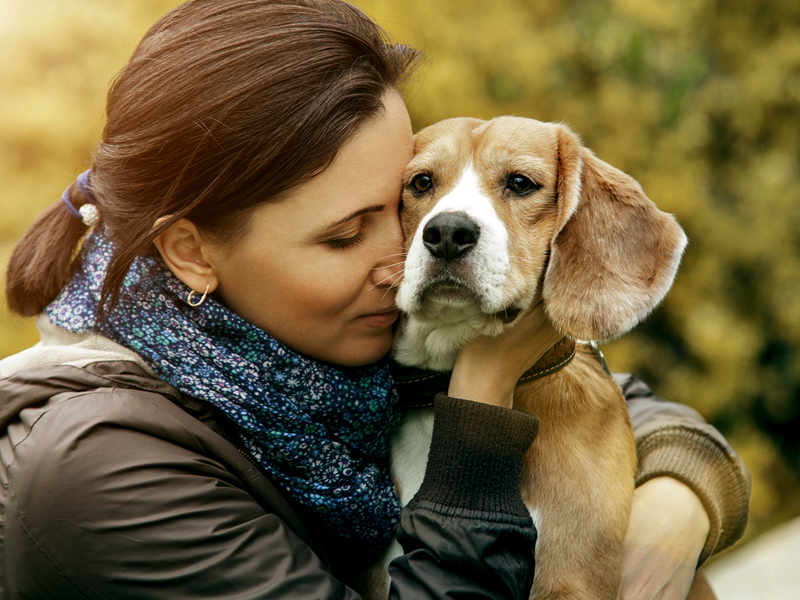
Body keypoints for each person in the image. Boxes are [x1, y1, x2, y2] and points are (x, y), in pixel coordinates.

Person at [0, 0, 749, 598]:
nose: (402, 258)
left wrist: (682, 492)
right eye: (343, 236)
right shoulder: (100, 471)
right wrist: (482, 397)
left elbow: (601, 392)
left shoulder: (303, 352)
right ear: (193, 253)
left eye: (395, 205)